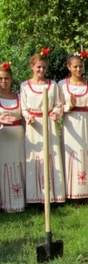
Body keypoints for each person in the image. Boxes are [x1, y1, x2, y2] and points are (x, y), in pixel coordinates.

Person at [21, 48, 65, 204]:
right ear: (32, 66)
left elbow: (59, 104)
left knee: (51, 156)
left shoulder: (52, 85)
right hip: (33, 126)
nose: (41, 70)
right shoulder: (25, 86)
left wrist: (56, 113)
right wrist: (28, 117)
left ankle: (53, 196)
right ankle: (36, 196)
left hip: (49, 124)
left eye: (44, 67)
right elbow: (23, 107)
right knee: (36, 157)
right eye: (38, 67)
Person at [58, 52, 88, 207]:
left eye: (80, 66)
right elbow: (59, 106)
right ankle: (73, 194)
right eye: (75, 66)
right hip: (71, 123)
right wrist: (70, 105)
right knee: (73, 155)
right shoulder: (62, 85)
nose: (78, 69)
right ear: (69, 67)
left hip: (86, 122)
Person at [0, 62, 25, 212]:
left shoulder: (19, 97)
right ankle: (4, 202)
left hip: (17, 136)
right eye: (1, 78)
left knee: (18, 167)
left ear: (11, 79)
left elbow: (24, 115)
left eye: (6, 78)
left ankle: (18, 201)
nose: (4, 82)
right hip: (2, 137)